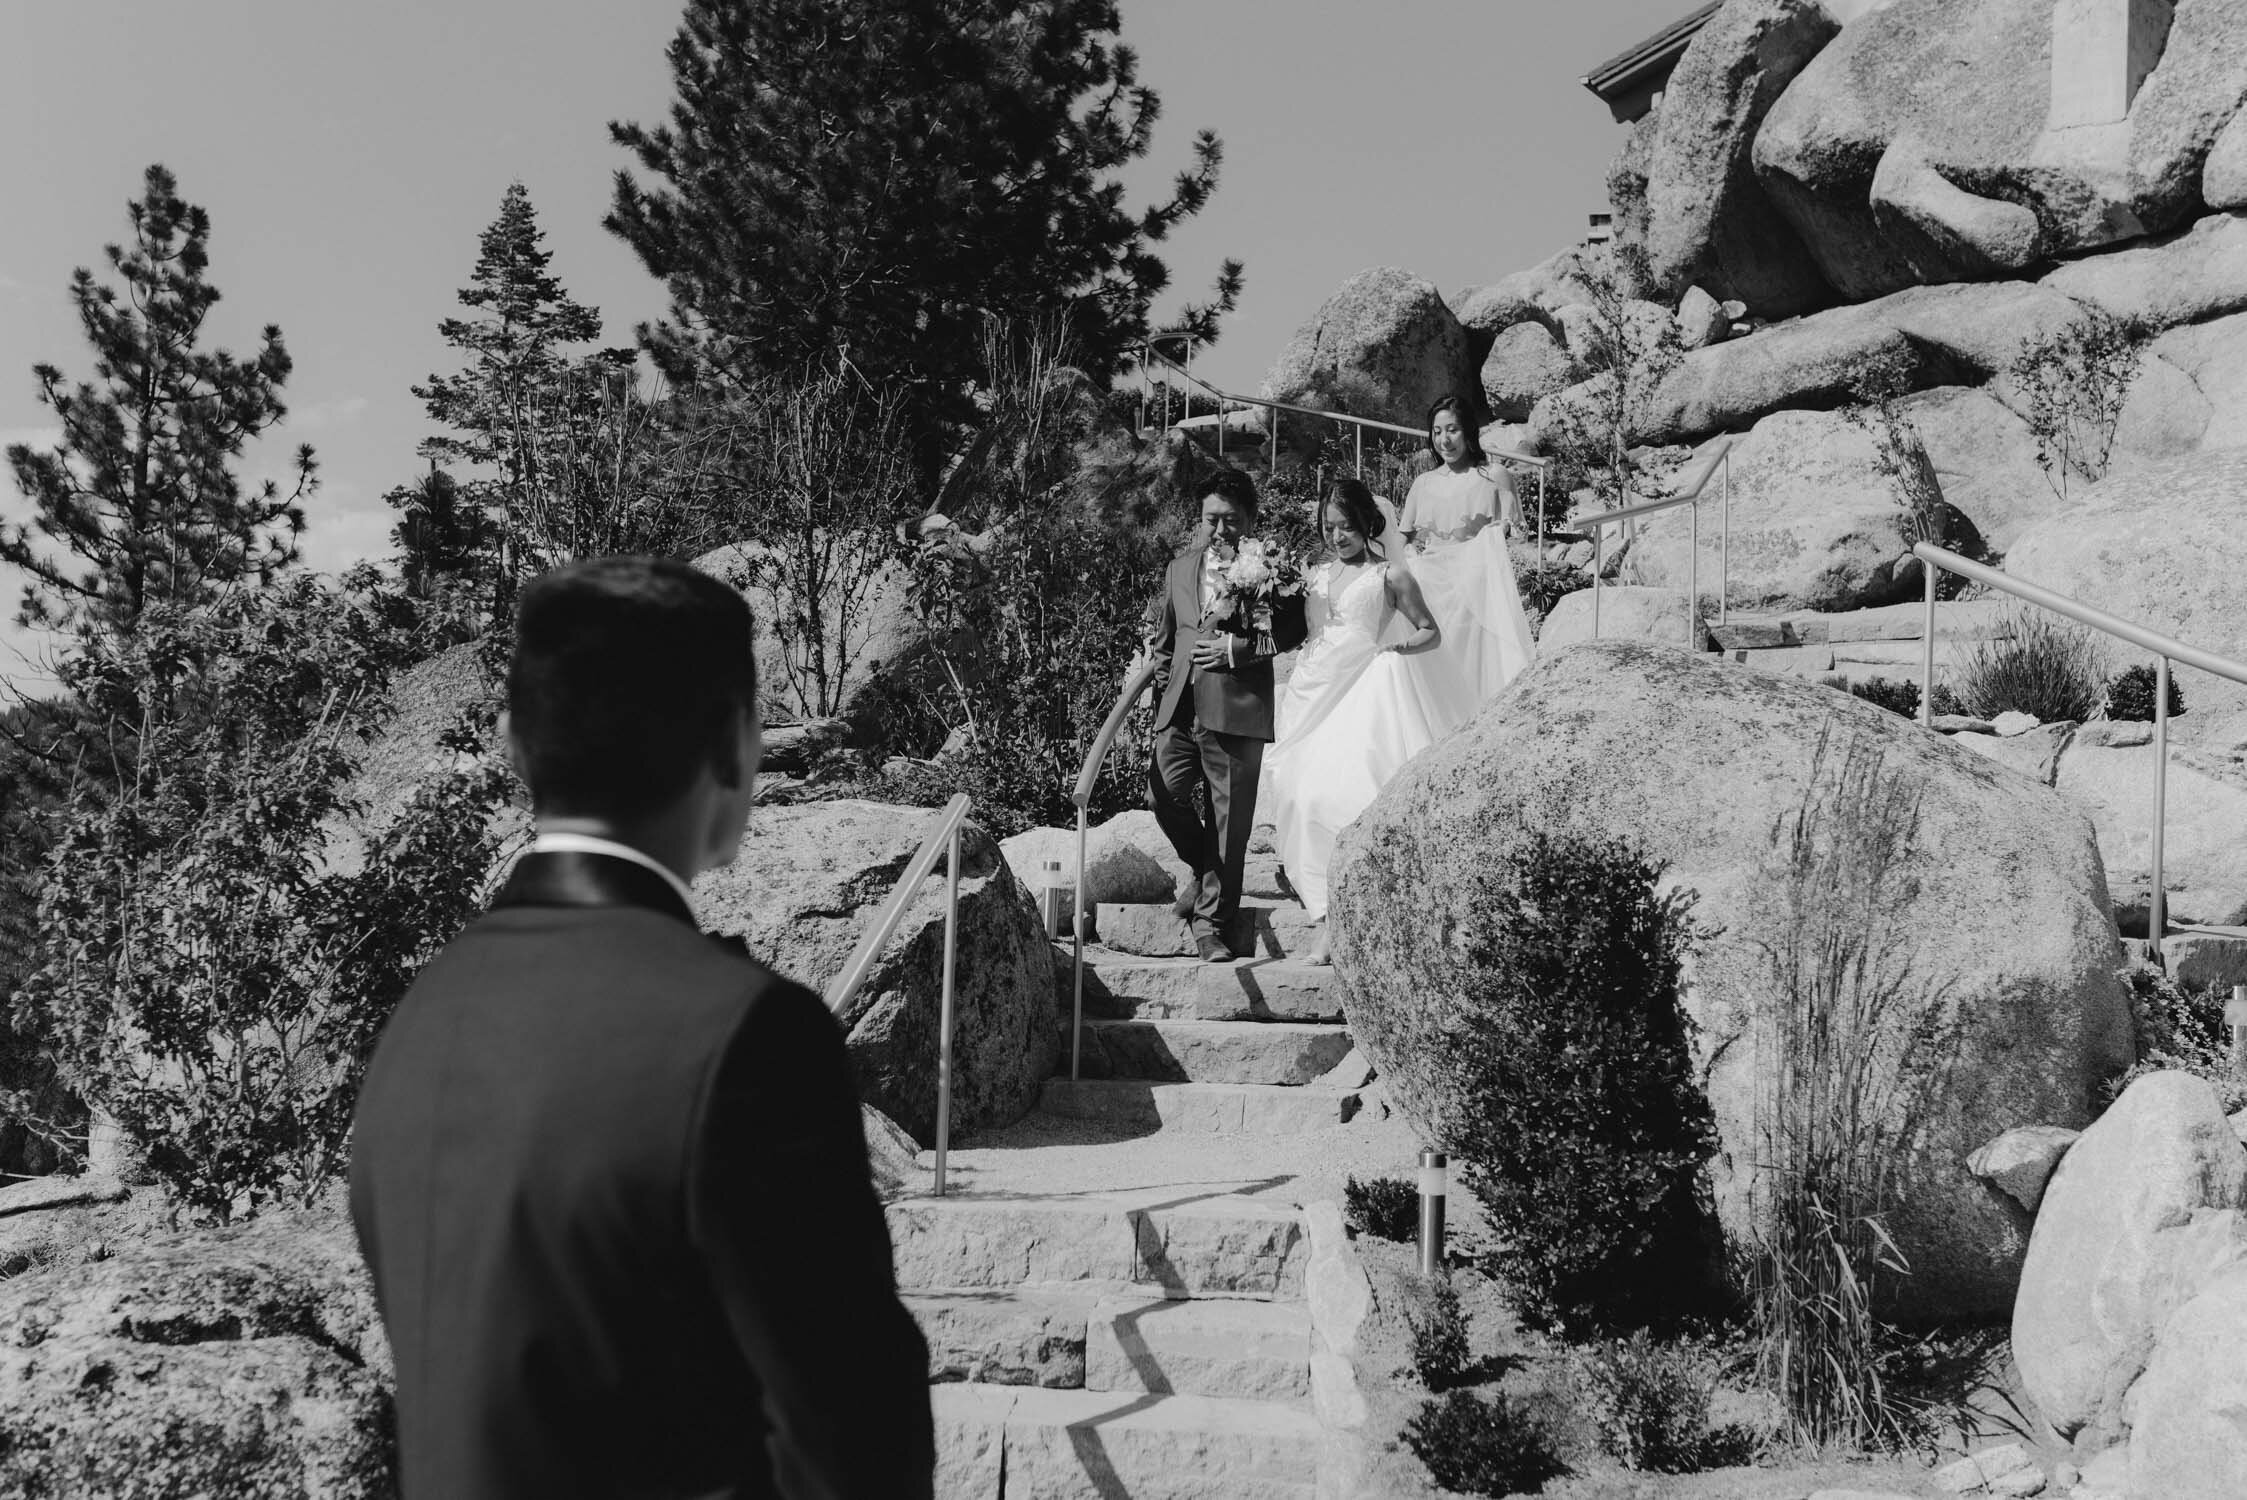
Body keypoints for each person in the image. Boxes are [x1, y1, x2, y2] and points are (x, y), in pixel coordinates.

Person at [349, 556, 933, 1500]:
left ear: (513, 746)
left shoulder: (422, 1016)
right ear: (738, 749)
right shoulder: (747, 1035)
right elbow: (859, 1442)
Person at [1266, 481, 1445, 961]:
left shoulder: (1390, 576)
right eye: (1329, 527)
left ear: (1368, 523)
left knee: (1342, 796)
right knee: (1297, 791)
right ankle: (1324, 908)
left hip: (1361, 687)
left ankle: (1336, 918)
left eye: (1346, 525)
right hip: (1311, 689)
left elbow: (1431, 631)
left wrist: (1400, 647)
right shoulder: (1312, 575)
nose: (1337, 535)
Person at [1144, 467, 1310, 964]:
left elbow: (1289, 631)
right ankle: (1201, 868)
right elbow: (1167, 639)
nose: (1220, 531)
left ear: (1251, 519)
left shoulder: (1272, 568)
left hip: (1237, 709)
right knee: (1160, 795)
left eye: (1231, 521)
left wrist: (1235, 650)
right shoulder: (1179, 569)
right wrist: (1156, 694)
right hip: (1179, 709)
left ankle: (1210, 924)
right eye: (1211, 520)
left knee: (1230, 827)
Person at [1391, 394, 1537, 729]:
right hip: (1431, 593)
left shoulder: (1495, 475)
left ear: (1468, 431)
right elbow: (1403, 540)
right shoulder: (1423, 483)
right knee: (1439, 674)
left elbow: (1515, 535)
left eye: (1453, 429)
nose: (1444, 439)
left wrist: (1502, 532)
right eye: (1437, 431)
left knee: (1479, 672)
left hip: (1477, 594)